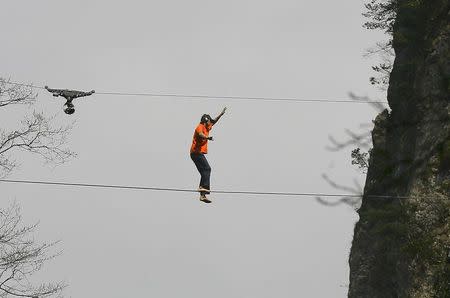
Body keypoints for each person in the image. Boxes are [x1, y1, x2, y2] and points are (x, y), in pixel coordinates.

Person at [190, 107, 226, 203]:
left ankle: (202, 195)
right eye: (209, 122)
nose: (211, 124)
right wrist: (208, 137)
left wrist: (221, 114)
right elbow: (201, 134)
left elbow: (214, 121)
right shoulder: (200, 127)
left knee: (204, 172)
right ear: (206, 121)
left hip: (197, 153)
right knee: (207, 169)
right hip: (195, 153)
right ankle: (203, 187)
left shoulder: (207, 126)